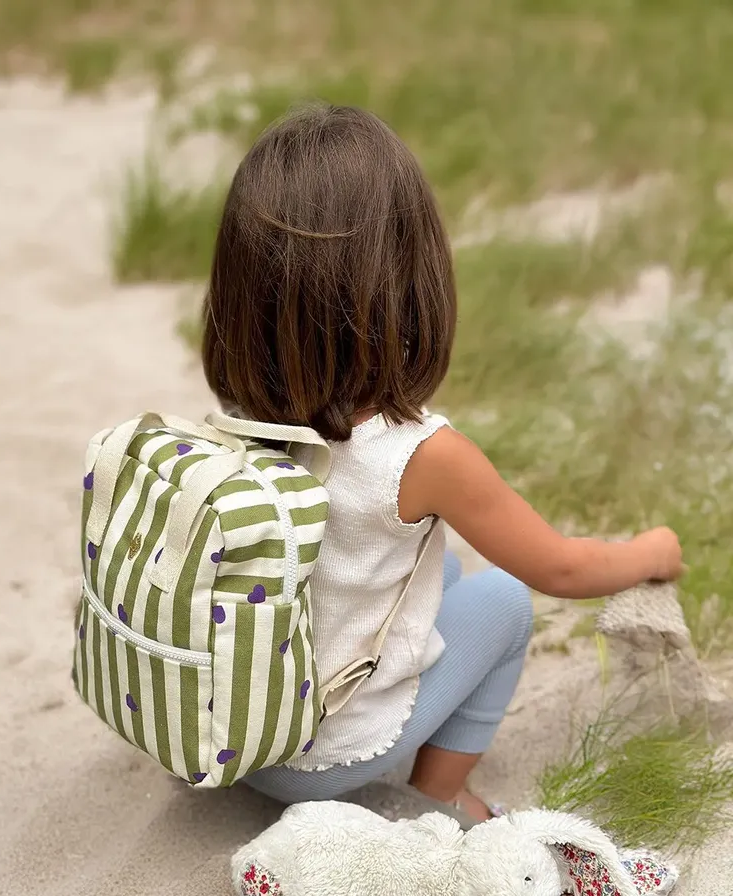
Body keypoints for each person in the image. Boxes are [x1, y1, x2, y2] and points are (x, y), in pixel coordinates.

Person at [200, 104, 683, 822]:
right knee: (503, 603)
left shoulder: (241, 412)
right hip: (316, 761)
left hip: (228, 736)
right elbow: (560, 570)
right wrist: (650, 551)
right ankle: (438, 794)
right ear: (409, 284)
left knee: (442, 573)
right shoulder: (421, 455)